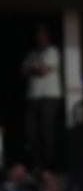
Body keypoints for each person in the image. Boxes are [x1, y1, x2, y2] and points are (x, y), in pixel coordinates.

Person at [22, 24, 63, 168]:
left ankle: (49, 166)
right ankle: (36, 164)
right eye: (37, 35)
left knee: (46, 130)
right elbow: (23, 71)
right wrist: (35, 69)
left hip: (50, 96)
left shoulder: (52, 51)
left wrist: (33, 70)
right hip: (33, 97)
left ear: (47, 36)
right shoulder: (32, 54)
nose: (39, 38)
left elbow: (44, 70)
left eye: (42, 34)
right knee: (31, 131)